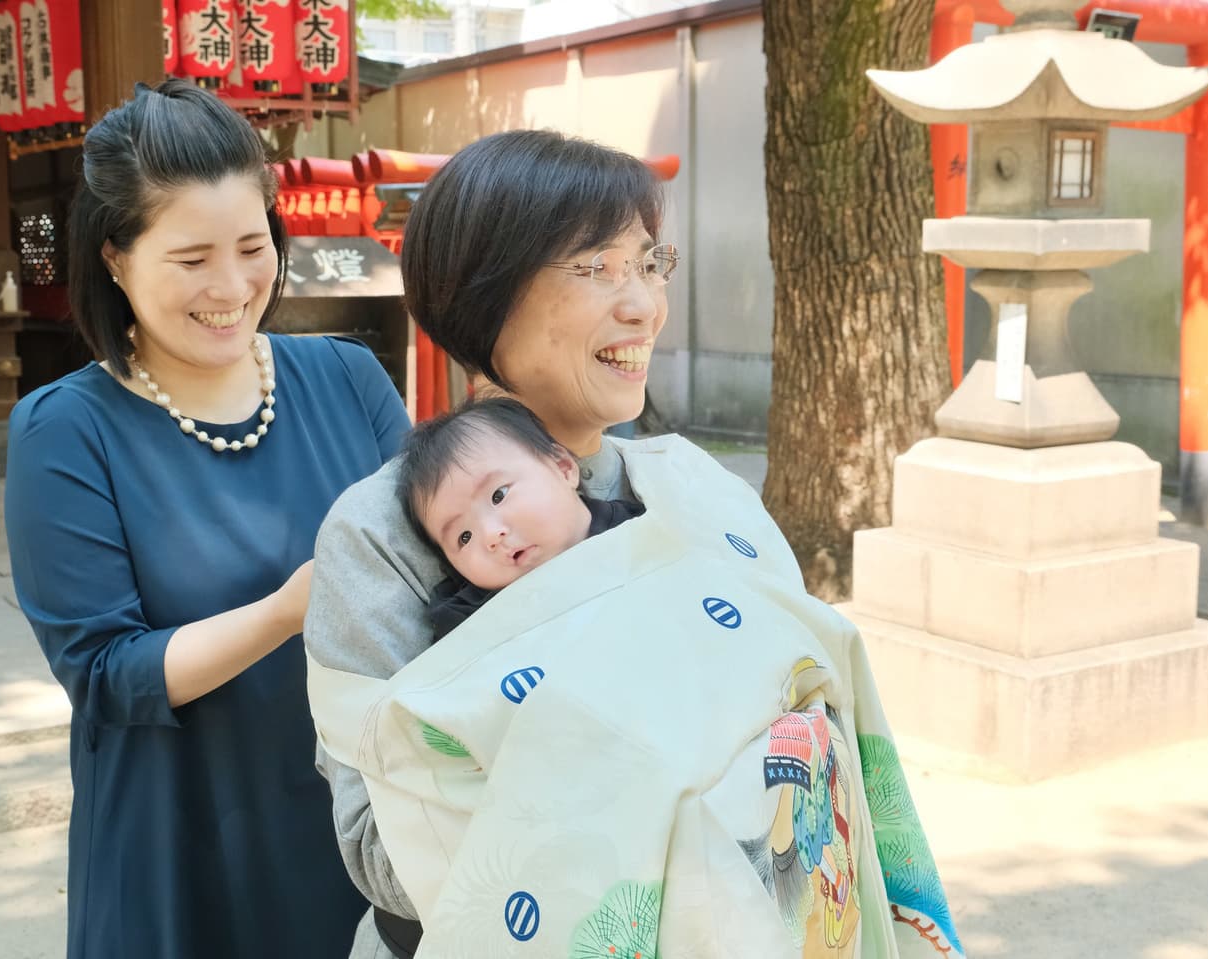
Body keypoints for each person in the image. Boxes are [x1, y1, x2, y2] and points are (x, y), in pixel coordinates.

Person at [303, 129, 965, 959]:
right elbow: (380, 844)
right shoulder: (381, 533)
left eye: (650, 264)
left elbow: (809, 706)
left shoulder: (695, 492)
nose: (645, 304)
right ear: (488, 296)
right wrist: (657, 804)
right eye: (598, 268)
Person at [4, 80, 409, 959]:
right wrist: (287, 610)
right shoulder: (66, 432)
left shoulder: (351, 382)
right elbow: (106, 671)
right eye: (191, 260)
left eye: (252, 246)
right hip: (183, 843)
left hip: (362, 828)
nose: (231, 287)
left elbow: (435, 572)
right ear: (115, 257)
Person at [396, 397, 644, 641]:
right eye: (464, 537)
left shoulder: (643, 531)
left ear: (563, 467)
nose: (491, 534)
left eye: (498, 495)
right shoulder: (470, 623)